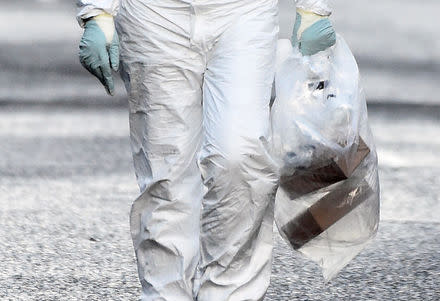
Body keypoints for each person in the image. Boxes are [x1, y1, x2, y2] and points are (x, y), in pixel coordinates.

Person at [77, 0, 335, 300]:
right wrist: (98, 11)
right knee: (167, 175)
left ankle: (231, 292)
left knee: (241, 155)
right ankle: (166, 293)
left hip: (244, 11)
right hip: (152, 16)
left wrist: (312, 8)